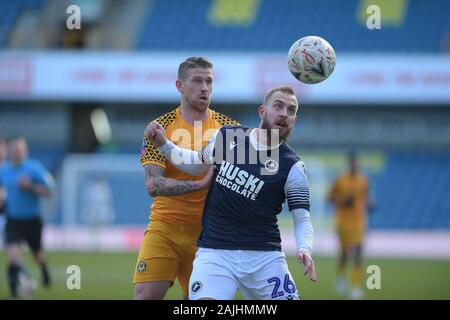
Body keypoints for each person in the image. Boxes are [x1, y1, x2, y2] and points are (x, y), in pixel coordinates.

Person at [146, 86, 317, 300]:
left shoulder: (292, 166)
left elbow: (302, 218)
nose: (284, 113)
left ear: (294, 120)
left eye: (291, 110)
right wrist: (164, 145)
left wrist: (304, 248)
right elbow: (196, 164)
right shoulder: (228, 137)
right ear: (262, 111)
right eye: (278, 106)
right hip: (216, 251)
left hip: (264, 258)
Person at [134, 57, 239, 300]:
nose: (205, 87)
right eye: (197, 81)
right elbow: (153, 185)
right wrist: (199, 184)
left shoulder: (229, 129)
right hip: (165, 228)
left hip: (210, 235)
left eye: (209, 81)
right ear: (180, 86)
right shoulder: (160, 128)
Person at [0, 137, 54, 299]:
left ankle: (43, 267)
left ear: (25, 151)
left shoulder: (34, 168)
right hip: (13, 220)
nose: (16, 154)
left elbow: (50, 191)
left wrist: (30, 187)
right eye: (13, 151)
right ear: (9, 152)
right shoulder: (4, 170)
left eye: (19, 150)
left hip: (32, 220)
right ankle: (14, 293)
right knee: (14, 257)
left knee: (37, 255)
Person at [328, 152, 373, 300]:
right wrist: (342, 201)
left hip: (359, 222)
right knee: (345, 254)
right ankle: (341, 278)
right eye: (352, 162)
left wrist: (370, 204)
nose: (355, 165)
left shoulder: (364, 180)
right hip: (343, 222)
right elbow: (329, 197)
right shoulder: (340, 179)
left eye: (357, 163)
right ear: (349, 163)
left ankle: (355, 287)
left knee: (359, 253)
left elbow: (365, 197)